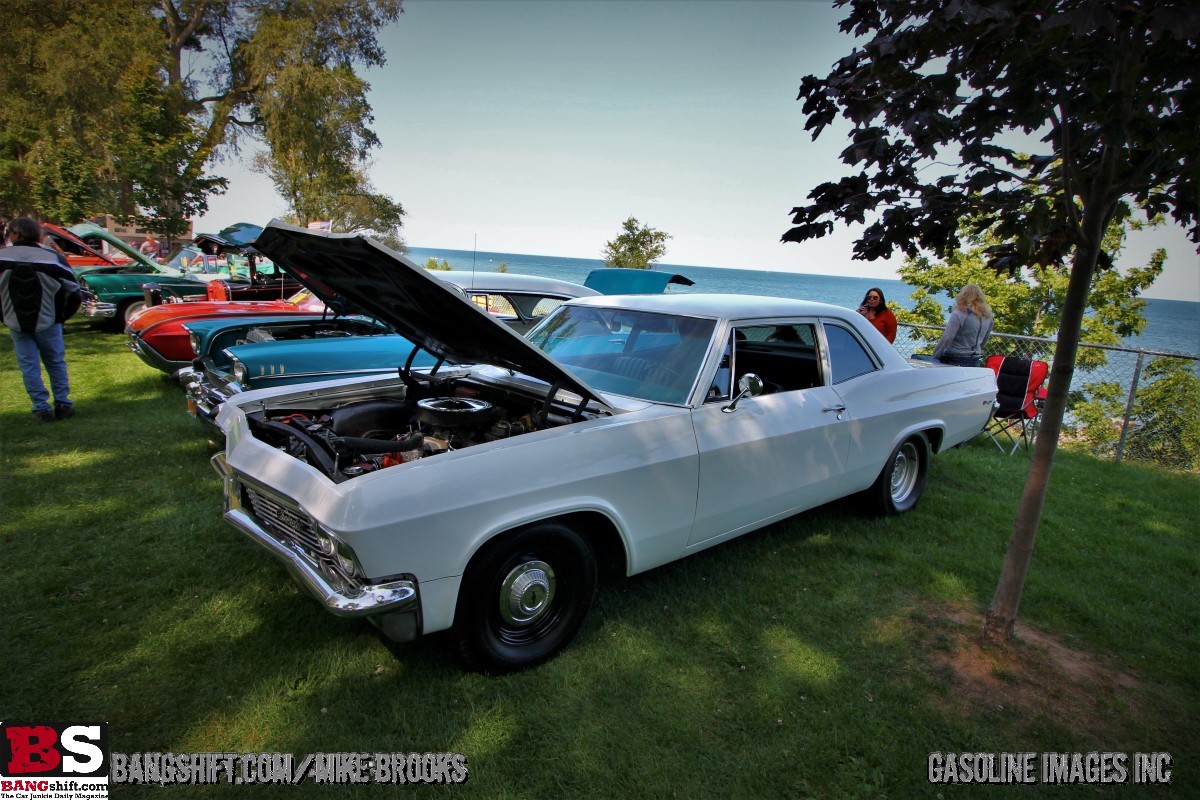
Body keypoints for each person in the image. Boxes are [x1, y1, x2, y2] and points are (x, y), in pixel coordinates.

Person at [0, 217, 81, 422]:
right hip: (49, 319)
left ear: (16, 234)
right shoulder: (53, 258)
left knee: (29, 366)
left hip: (15, 321)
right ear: (37, 235)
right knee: (55, 362)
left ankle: (41, 409)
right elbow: (74, 292)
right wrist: (62, 316)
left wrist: (4, 316)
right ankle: (63, 404)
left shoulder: (2, 258)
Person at [932, 284, 994, 367]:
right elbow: (984, 340)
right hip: (975, 358)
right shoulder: (987, 316)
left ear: (963, 295)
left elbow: (947, 337)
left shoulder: (959, 313)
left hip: (954, 358)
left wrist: (935, 355)